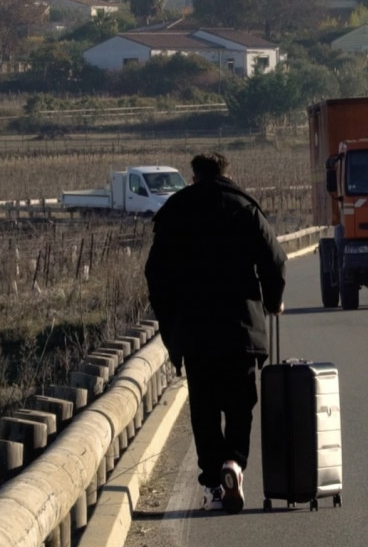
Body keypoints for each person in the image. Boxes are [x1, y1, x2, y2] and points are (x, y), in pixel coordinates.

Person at [144, 152, 287, 514]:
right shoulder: (245, 207)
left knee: (204, 409)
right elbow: (275, 259)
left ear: (193, 176)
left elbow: (155, 273)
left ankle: (211, 484)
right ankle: (233, 464)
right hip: (240, 328)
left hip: (195, 331)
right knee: (241, 404)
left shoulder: (175, 210)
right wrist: (273, 300)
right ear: (228, 173)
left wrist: (170, 318)